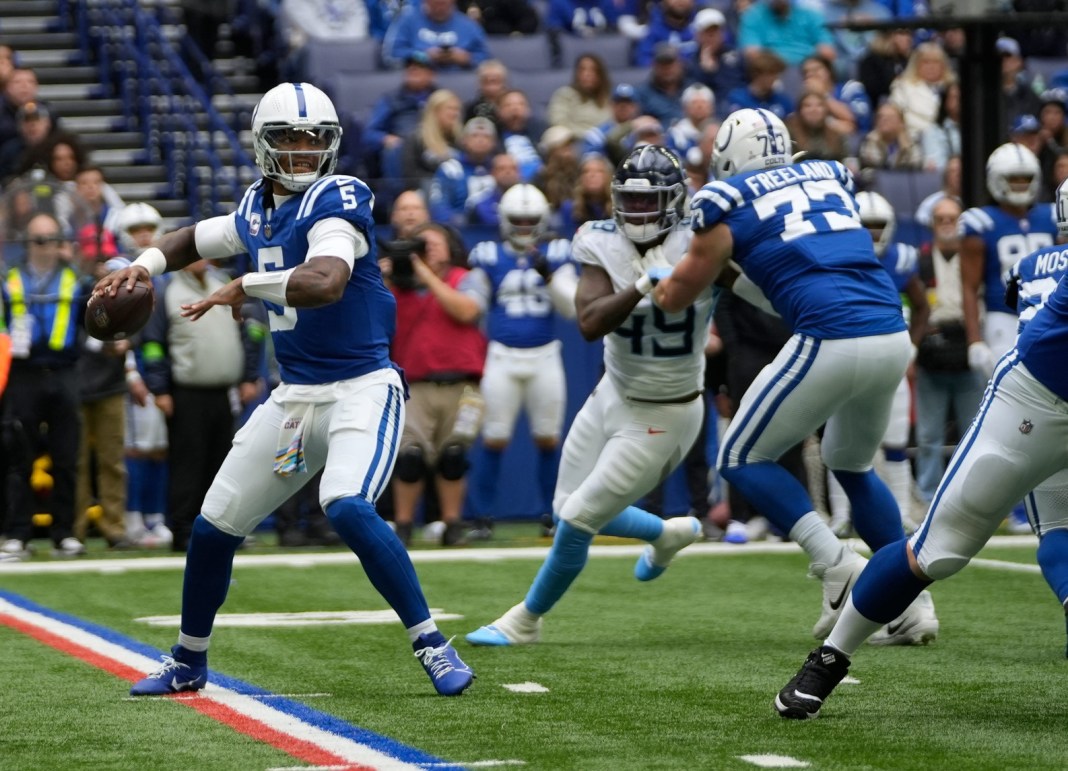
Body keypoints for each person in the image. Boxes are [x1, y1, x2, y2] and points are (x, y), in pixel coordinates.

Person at [97, 82, 474, 697]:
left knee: (347, 504)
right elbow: (188, 240)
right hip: (295, 397)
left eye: (313, 139)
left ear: (331, 146)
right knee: (215, 525)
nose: (302, 151)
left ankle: (431, 643)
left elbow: (325, 280)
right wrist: (140, 266)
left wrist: (245, 283)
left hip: (361, 388)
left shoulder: (337, 199)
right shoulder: (255, 209)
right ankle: (189, 660)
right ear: (262, 144)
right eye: (288, 139)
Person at [774, 180, 1068, 719]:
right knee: (937, 549)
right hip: (1035, 404)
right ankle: (829, 659)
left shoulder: (1034, 261)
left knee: (1060, 527)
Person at [653, 108, 938, 644]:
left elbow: (677, 298)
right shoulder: (830, 175)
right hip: (889, 332)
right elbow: (794, 268)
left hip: (832, 335)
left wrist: (650, 280)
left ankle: (836, 565)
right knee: (851, 463)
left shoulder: (725, 201)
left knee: (739, 457)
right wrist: (731, 281)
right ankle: (913, 604)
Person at [465, 145, 711, 648]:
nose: (638, 213)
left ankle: (526, 620)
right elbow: (589, 322)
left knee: (578, 519)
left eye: (650, 203)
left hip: (667, 409)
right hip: (613, 392)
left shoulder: (704, 240)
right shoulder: (600, 240)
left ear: (675, 201)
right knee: (566, 509)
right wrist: (642, 284)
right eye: (630, 201)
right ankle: (666, 535)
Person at [465, 184, 578, 536]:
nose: (525, 226)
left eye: (531, 220)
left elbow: (570, 307)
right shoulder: (487, 254)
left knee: (548, 437)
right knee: (494, 436)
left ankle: (551, 515)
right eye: (518, 220)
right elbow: (473, 303)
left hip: (545, 355)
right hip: (501, 356)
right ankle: (482, 518)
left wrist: (550, 275)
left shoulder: (557, 252)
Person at [139, 256, 267, 553]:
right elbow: (153, 342)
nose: (198, 259)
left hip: (223, 392)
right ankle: (183, 530)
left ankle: (220, 529)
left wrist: (249, 375)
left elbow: (247, 330)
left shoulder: (222, 285)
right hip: (185, 391)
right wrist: (160, 389)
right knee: (188, 465)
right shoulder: (168, 291)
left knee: (222, 464)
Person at [826, 192, 929, 535]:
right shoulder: (837, 257)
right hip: (848, 356)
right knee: (840, 439)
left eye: (878, 226)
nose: (872, 233)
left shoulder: (901, 259)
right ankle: (842, 514)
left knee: (896, 440)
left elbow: (922, 304)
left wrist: (913, 345)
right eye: (866, 226)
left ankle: (900, 510)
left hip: (892, 358)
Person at [385, 222, 486, 547]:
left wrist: (426, 274)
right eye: (422, 244)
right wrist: (383, 273)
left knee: (453, 457)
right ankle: (403, 527)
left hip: (464, 384)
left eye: (435, 243)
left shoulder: (467, 278)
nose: (429, 249)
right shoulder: (398, 285)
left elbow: (466, 311)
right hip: (416, 384)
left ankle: (452, 524)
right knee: (409, 458)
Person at [1, 212, 89, 560]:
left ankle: (64, 532)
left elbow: (88, 325)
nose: (44, 245)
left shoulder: (75, 280)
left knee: (66, 455)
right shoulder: (10, 280)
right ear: (26, 243)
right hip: (23, 373)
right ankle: (18, 533)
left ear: (60, 242)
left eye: (50, 238)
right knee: (18, 456)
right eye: (38, 239)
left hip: (64, 370)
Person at [912, 197, 983, 506]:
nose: (947, 224)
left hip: (969, 345)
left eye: (952, 218)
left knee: (975, 432)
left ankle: (972, 496)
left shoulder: (976, 254)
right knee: (928, 436)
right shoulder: (920, 259)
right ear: (932, 224)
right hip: (932, 349)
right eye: (941, 218)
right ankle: (928, 497)